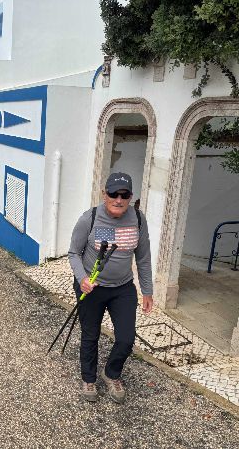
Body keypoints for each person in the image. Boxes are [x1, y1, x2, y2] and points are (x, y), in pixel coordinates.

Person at [67, 172, 153, 404]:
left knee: (126, 338)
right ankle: (88, 378)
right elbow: (74, 253)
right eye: (113, 193)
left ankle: (111, 373)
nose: (118, 199)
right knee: (90, 335)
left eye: (124, 195)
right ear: (104, 194)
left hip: (122, 288)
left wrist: (147, 290)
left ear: (130, 197)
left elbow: (143, 258)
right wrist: (82, 278)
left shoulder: (138, 219)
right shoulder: (90, 218)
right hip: (91, 287)